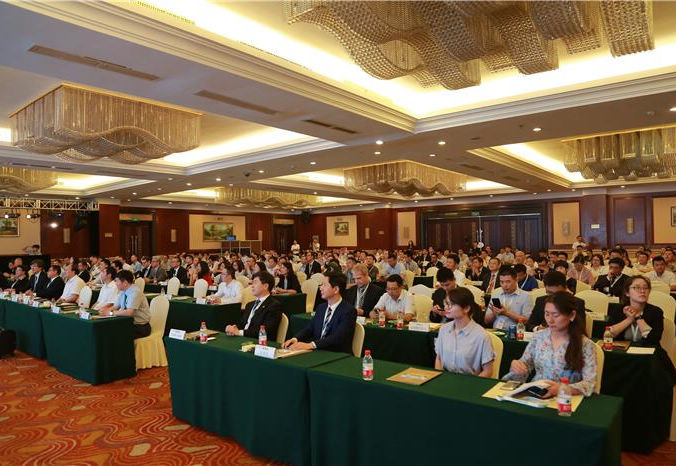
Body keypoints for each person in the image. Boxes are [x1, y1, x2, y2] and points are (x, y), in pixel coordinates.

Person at [508, 292, 598, 398]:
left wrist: (561, 389)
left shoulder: (585, 345)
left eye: (556, 315)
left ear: (572, 315)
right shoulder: (539, 337)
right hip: (537, 395)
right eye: (547, 314)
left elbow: (590, 383)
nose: (550, 320)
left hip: (566, 399)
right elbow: (525, 364)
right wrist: (517, 366)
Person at [284, 272, 356, 353]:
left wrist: (311, 345)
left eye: (324, 285)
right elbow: (310, 328)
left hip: (337, 353)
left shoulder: (348, 311)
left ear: (336, 289)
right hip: (319, 350)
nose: (320, 288)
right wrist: (295, 339)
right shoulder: (321, 307)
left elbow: (338, 337)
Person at [434, 287, 495, 377]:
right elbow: (438, 358)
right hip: (445, 379)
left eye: (451, 305)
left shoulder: (481, 336)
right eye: (446, 303)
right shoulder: (444, 329)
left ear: (466, 308)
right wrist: (439, 378)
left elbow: (488, 371)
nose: (446, 307)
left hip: (471, 381)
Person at [607, 276, 663, 346]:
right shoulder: (618, 309)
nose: (642, 291)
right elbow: (608, 335)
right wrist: (629, 319)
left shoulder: (656, 312)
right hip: (623, 351)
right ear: (627, 292)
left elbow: (654, 340)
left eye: (645, 288)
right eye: (637, 287)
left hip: (648, 351)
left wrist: (637, 317)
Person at [226, 271, 281, 339]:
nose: (252, 286)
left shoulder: (273, 305)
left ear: (265, 286)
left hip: (259, 341)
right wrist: (233, 328)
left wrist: (239, 332)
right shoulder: (250, 305)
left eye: (255, 283)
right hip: (243, 338)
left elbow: (265, 331)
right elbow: (242, 324)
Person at [104, 270, 151, 339]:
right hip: (127, 323)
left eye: (117, 281)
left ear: (125, 283)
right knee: (106, 329)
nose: (115, 283)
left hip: (140, 327)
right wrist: (104, 311)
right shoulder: (123, 291)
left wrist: (110, 313)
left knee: (114, 334)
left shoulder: (135, 292)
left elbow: (129, 312)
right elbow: (115, 306)